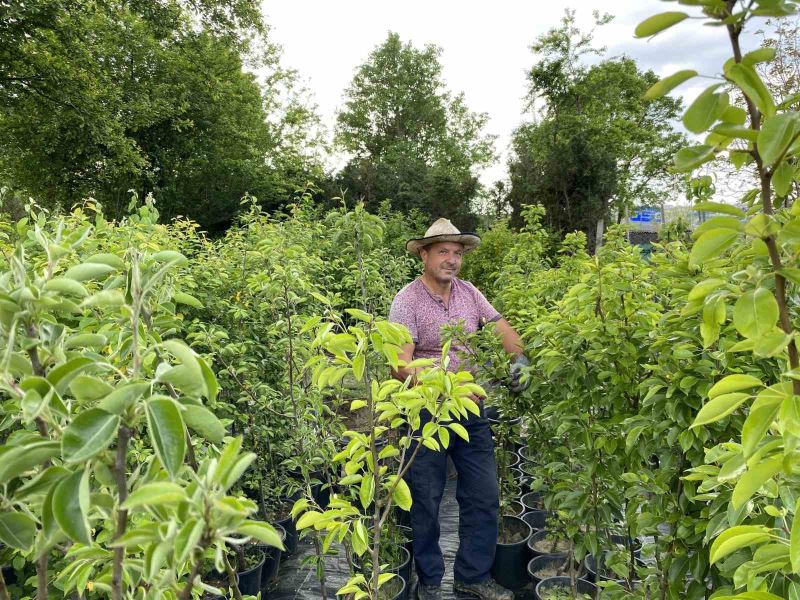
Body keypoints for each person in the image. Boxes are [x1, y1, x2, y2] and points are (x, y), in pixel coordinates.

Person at [388, 218, 529, 600]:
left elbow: (501, 327)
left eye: (457, 253)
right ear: (424, 254)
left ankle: (472, 575)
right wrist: (448, 389)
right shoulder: (407, 300)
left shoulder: (469, 293)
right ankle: (430, 580)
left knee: (482, 495)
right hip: (427, 409)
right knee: (427, 498)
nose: (451, 260)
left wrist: (520, 359)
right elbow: (401, 364)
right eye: (443, 252)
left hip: (471, 409)